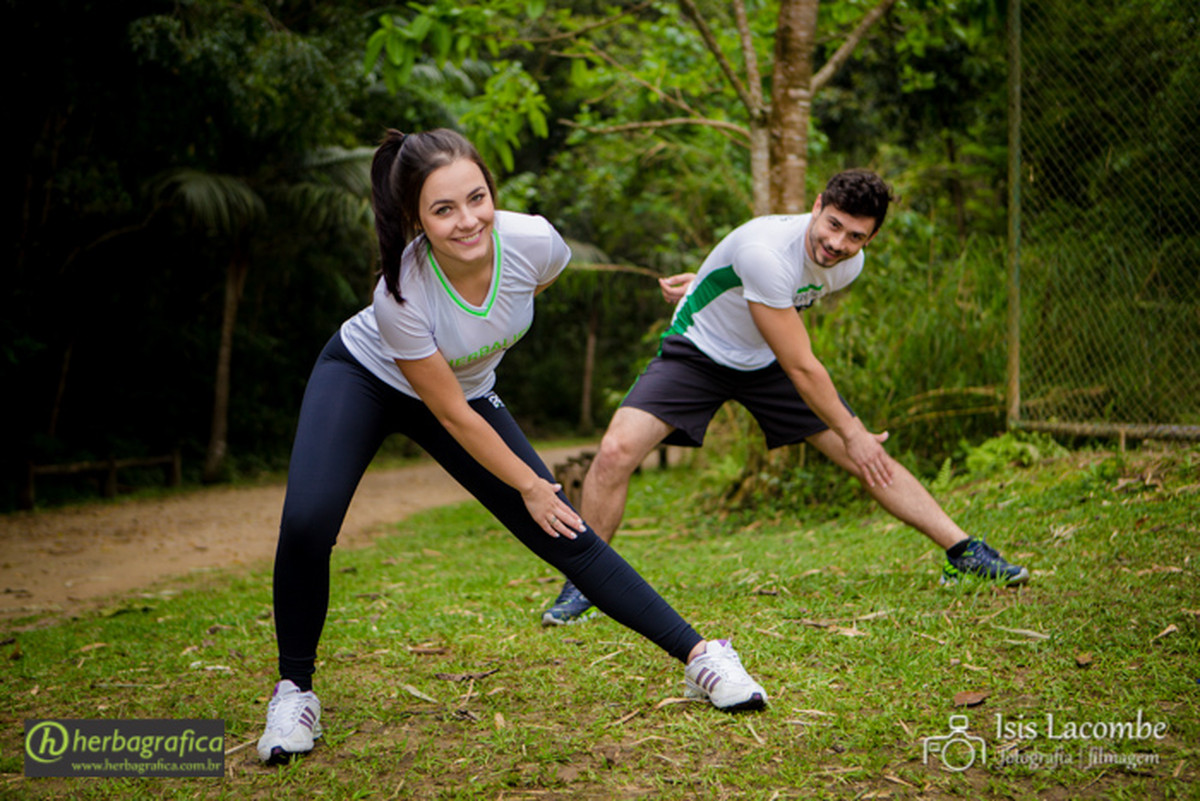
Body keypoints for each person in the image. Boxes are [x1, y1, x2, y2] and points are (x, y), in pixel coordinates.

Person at [256, 128, 766, 764]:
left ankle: (703, 657)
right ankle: (295, 692)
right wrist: (528, 482)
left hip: (465, 391)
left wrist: (535, 489)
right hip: (364, 377)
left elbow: (521, 297)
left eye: (477, 198)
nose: (469, 220)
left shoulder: (534, 242)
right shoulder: (400, 293)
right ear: (416, 218)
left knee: (564, 528)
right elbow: (447, 412)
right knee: (307, 523)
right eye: (444, 210)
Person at [541, 169, 1029, 626]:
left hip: (765, 359)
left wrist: (721, 280)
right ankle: (588, 581)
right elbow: (800, 359)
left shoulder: (847, 266)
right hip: (700, 349)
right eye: (832, 225)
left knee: (868, 458)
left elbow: (780, 305)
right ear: (816, 207)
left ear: (870, 239)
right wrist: (851, 430)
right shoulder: (766, 250)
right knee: (615, 451)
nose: (837, 243)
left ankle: (963, 552)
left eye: (855, 236)